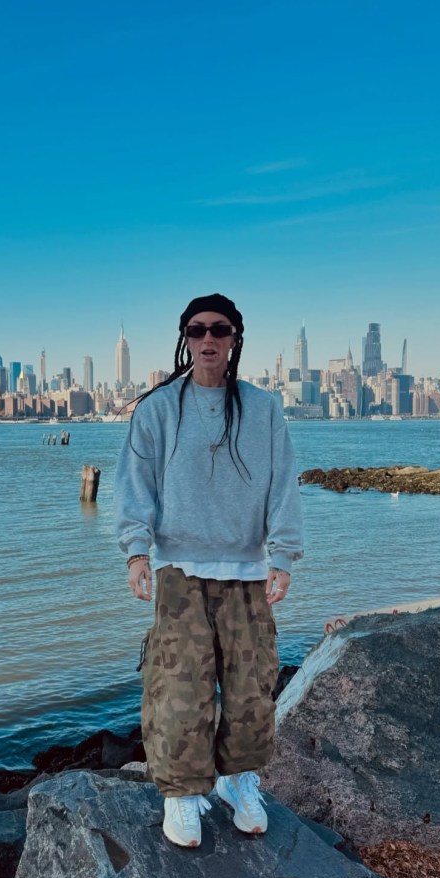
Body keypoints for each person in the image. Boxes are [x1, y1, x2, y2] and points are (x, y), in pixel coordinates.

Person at [114, 293, 304, 848]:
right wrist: (135, 552)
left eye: (219, 330)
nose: (208, 340)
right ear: (185, 338)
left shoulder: (264, 409)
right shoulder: (157, 409)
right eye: (197, 331)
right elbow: (135, 486)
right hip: (178, 570)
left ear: (235, 338)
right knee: (178, 687)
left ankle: (238, 781)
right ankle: (180, 794)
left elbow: (283, 485)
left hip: (247, 570)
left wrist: (284, 556)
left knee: (252, 687)